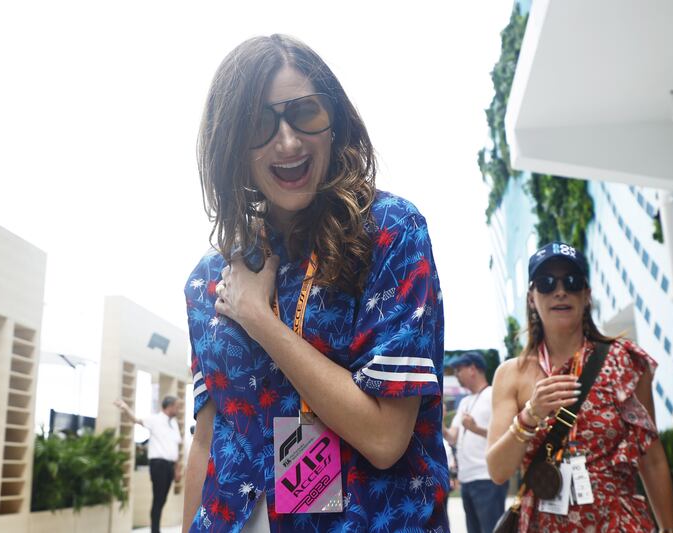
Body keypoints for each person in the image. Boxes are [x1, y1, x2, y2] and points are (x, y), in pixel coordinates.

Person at [183, 34, 449, 533]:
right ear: (233, 146)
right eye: (259, 123)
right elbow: (207, 435)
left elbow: (386, 437)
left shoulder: (390, 233)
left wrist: (259, 319)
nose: (287, 141)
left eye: (304, 113)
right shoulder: (206, 281)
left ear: (334, 123)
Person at [486, 242, 673, 532]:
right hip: (543, 523)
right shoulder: (511, 375)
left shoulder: (623, 361)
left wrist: (669, 529)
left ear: (586, 294)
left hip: (617, 522)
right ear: (531, 297)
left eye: (572, 282)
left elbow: (651, 459)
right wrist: (530, 414)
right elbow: (498, 471)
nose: (560, 291)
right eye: (546, 283)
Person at [443, 351, 507, 533]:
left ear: (472, 369)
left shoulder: (494, 394)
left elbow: (506, 435)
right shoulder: (464, 402)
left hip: (487, 477)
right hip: (467, 479)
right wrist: (440, 423)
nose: (456, 375)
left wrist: (475, 429)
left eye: (458, 370)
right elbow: (452, 437)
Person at [115, 396, 183, 533]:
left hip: (170, 466)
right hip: (158, 465)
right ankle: (155, 530)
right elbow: (136, 420)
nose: (178, 409)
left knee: (162, 499)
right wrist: (125, 407)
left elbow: (175, 448)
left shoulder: (174, 423)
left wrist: (177, 469)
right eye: (176, 406)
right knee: (158, 499)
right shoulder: (155, 419)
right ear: (169, 406)